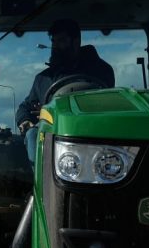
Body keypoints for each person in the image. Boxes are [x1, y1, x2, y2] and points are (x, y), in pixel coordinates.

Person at [16, 19, 115, 161]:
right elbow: (25, 107)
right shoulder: (44, 78)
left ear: (76, 41)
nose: (56, 47)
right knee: (32, 135)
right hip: (53, 139)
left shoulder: (100, 71)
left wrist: (51, 110)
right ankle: (40, 181)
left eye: (61, 41)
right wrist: (25, 120)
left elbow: (105, 104)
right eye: (54, 42)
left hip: (94, 137)